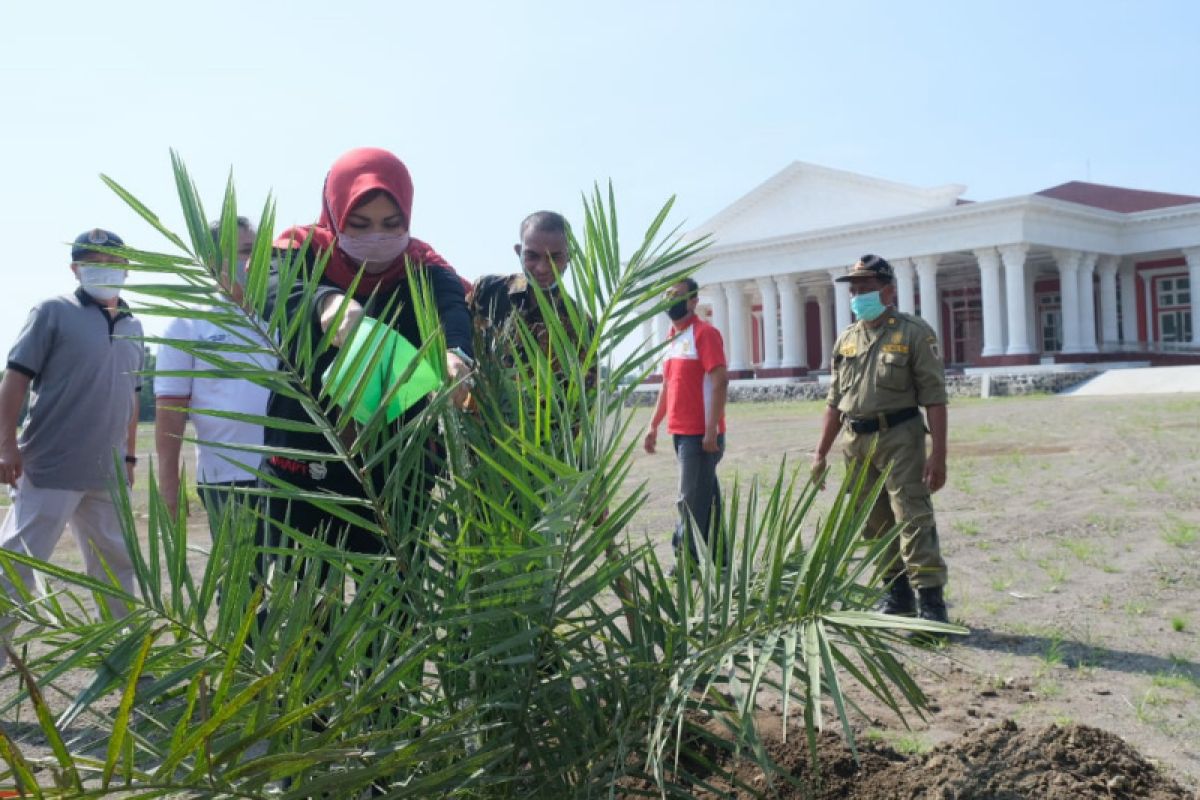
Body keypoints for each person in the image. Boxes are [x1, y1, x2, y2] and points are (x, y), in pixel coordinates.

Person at [258, 146, 473, 583]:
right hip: (304, 462)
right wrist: (328, 302)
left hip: (397, 471)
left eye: (391, 225)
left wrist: (457, 356)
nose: (377, 235)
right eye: (359, 225)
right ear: (334, 215)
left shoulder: (424, 269)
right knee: (304, 600)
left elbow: (453, 312)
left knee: (392, 604)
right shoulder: (300, 252)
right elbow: (271, 288)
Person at [0, 228, 143, 632]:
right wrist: (6, 446)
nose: (105, 270)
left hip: (107, 473)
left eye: (113, 263)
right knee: (16, 565)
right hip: (50, 468)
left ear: (126, 269)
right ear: (75, 269)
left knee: (116, 567)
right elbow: (14, 379)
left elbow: (132, 396)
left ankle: (122, 651)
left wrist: (130, 457)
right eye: (94, 263)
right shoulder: (52, 312)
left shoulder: (134, 325)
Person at [811, 254, 951, 625]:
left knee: (913, 517)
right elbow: (834, 402)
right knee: (873, 522)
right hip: (856, 441)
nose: (858, 296)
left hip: (900, 437)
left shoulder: (913, 332)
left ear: (888, 290)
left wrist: (938, 455)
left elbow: (934, 398)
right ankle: (897, 594)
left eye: (866, 289)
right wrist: (820, 453)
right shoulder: (847, 339)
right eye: (854, 290)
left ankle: (932, 604)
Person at [155, 216, 272, 537]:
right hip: (229, 478)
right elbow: (170, 409)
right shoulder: (188, 323)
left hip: (291, 473)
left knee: (299, 579)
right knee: (243, 582)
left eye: (257, 251)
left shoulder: (282, 313)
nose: (252, 261)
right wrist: (169, 483)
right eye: (244, 251)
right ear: (210, 260)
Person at [643, 278, 730, 570]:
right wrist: (653, 425)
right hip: (680, 433)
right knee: (707, 497)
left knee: (689, 500)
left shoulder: (705, 334)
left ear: (693, 301)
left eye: (677, 295)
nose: (671, 299)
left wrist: (711, 431)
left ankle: (686, 560)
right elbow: (668, 385)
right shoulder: (672, 336)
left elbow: (719, 381)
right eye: (667, 293)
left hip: (700, 435)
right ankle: (719, 559)